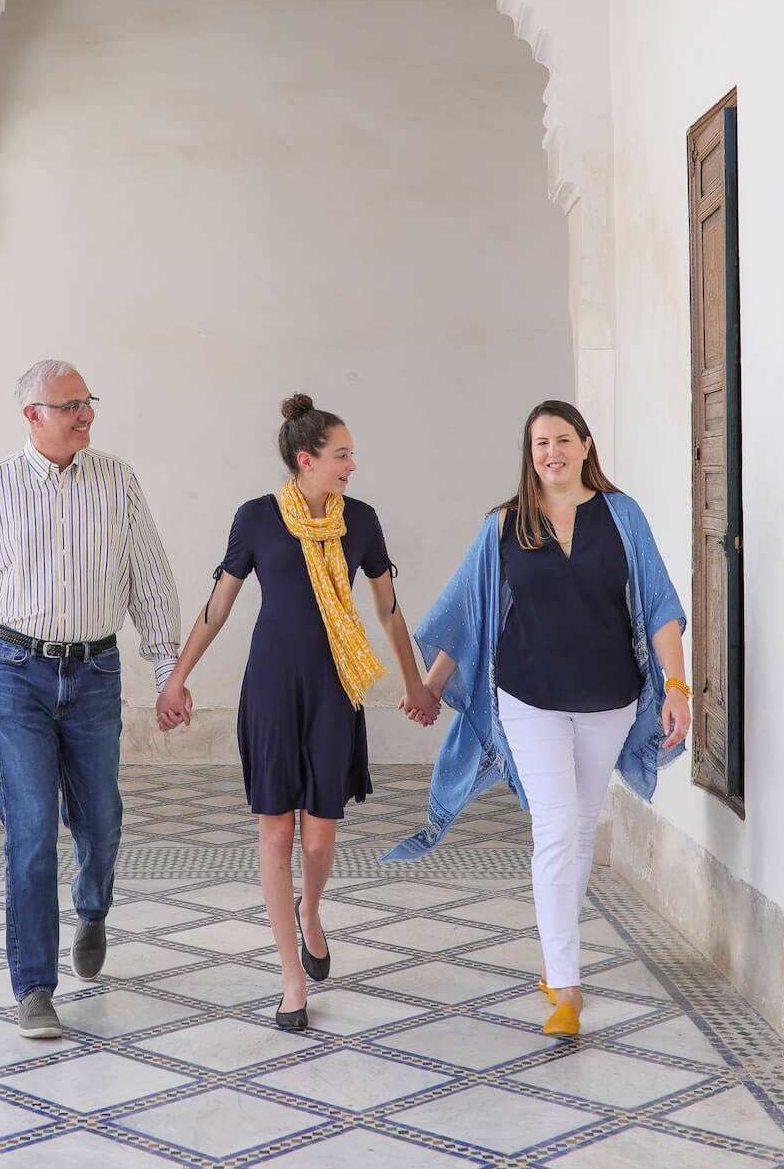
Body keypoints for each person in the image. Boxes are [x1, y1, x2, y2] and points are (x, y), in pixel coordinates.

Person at [385, 399, 690, 1037]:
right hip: (528, 698)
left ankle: (558, 958)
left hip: (611, 700)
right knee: (554, 825)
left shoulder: (621, 515)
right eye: (538, 444)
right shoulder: (504, 525)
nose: (550, 452)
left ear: (584, 445)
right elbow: (468, 612)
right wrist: (432, 687)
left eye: (561, 440)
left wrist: (677, 686)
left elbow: (659, 601)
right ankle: (567, 987)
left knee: (579, 828)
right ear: (530, 455)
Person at [156, 394, 434, 1031]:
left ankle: (312, 912)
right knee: (277, 832)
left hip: (336, 687)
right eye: (342, 455)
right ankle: (289, 979)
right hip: (273, 689)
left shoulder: (360, 521)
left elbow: (389, 610)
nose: (351, 465)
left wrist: (415, 684)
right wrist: (176, 679)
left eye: (351, 455)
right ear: (306, 460)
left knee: (319, 835)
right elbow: (218, 607)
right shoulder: (256, 518)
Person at [0, 359, 181, 1040]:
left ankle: (94, 908)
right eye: (70, 405)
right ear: (32, 416)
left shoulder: (118, 480)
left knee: (100, 820)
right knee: (32, 830)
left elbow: (150, 581)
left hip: (95, 673)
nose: (86, 416)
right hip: (13, 673)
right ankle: (34, 987)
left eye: (88, 402)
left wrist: (168, 672)